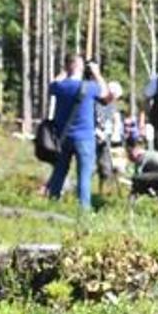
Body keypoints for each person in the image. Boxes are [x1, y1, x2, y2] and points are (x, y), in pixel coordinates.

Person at [45, 55, 105, 210]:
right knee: (84, 176)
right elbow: (104, 93)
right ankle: (83, 210)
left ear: (67, 67)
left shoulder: (61, 87)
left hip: (62, 138)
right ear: (81, 67)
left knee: (59, 172)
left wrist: (64, 71)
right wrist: (97, 73)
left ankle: (52, 204)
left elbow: (52, 85)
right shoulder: (90, 87)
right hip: (84, 138)